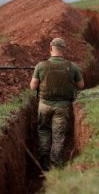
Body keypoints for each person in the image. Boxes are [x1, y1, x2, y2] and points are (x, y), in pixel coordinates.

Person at [30, 37, 84, 171]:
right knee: (58, 136)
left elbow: (33, 87)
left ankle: (44, 162)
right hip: (62, 107)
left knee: (43, 131)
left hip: (44, 106)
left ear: (50, 48)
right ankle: (56, 165)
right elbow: (81, 85)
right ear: (63, 50)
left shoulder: (41, 66)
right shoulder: (72, 66)